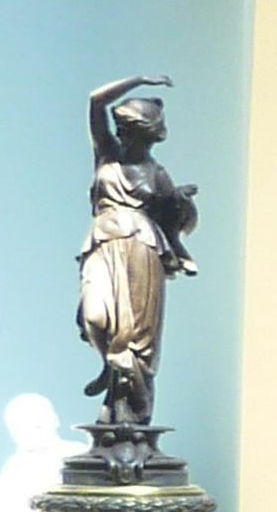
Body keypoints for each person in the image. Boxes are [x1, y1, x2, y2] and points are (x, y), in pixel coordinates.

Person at [77, 76, 198, 434]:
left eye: (130, 129)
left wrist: (181, 203)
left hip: (143, 249)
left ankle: (128, 411)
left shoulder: (157, 175)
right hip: (103, 242)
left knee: (136, 337)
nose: (122, 134)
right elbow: (95, 101)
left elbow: (176, 222)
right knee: (96, 317)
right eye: (121, 128)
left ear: (147, 135)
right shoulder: (106, 157)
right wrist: (139, 81)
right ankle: (109, 366)